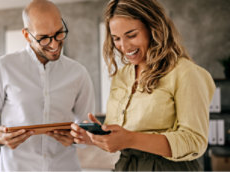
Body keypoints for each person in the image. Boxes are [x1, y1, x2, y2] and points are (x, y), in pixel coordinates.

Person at [71, 0, 216, 171]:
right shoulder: (122, 75)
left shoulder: (186, 73)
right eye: (116, 38)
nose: (123, 47)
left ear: (153, 29)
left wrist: (130, 139)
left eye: (131, 35)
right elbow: (120, 138)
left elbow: (194, 141)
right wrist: (94, 138)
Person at [0, 0, 96, 171]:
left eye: (58, 33)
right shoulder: (3, 67)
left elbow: (86, 127)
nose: (54, 45)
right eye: (44, 38)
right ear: (27, 35)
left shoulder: (79, 73)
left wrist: (77, 138)